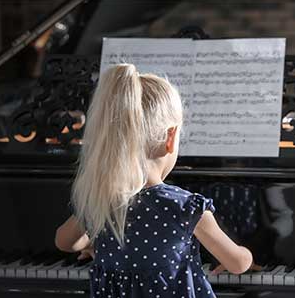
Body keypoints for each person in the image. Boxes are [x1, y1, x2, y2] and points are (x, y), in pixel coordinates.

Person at [55, 64, 254, 297]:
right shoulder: (185, 207)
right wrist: (247, 254)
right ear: (170, 138)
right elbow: (237, 264)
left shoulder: (100, 197)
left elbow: (65, 243)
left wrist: (94, 244)